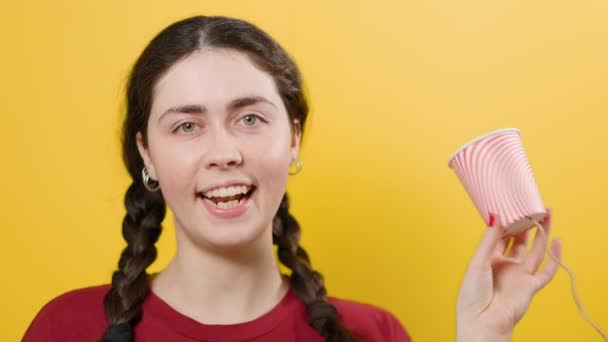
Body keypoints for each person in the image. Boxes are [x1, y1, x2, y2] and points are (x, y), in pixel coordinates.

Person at [22, 15, 561, 342]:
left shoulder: (373, 335)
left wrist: (485, 337)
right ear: (148, 153)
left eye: (250, 118)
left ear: (294, 137)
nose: (224, 151)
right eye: (187, 126)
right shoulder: (63, 330)